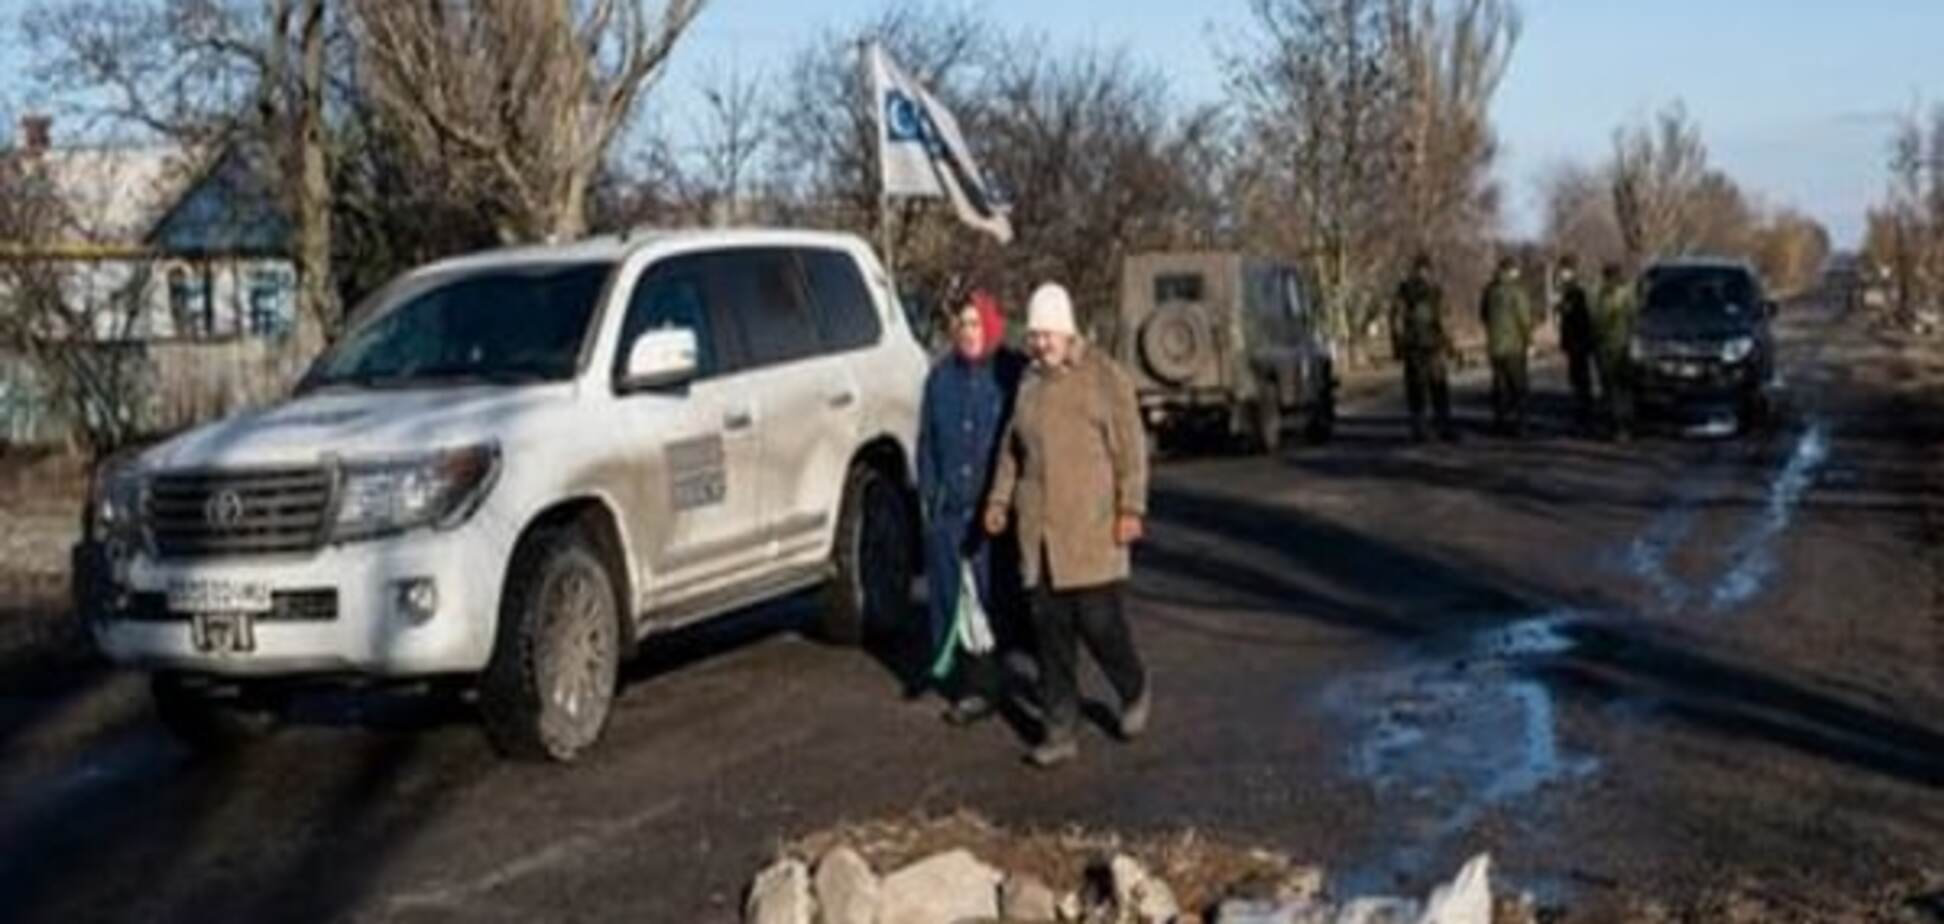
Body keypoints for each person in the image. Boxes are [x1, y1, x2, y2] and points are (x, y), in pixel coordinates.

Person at [984, 282, 1151, 769]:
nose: (1039, 345)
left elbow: (1131, 448)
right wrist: (998, 501)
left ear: (1066, 330)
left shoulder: (1103, 376)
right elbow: (1011, 452)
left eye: (1047, 335)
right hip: (1040, 536)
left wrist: (1131, 508)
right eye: (1034, 336)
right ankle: (1060, 729)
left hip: (1093, 527)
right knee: (1050, 639)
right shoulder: (1030, 385)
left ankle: (1134, 688)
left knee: (1101, 625)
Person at [916, 290, 1026, 724]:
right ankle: (974, 686)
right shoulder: (940, 380)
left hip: (998, 510)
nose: (968, 332)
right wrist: (930, 495)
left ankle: (1014, 675)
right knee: (960, 604)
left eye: (975, 323)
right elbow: (926, 443)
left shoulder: (1011, 372)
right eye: (962, 324)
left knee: (998, 598)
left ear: (991, 325)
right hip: (951, 512)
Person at [1389, 252, 1459, 442]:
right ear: (1429, 269)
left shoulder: (1404, 290)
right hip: (1434, 346)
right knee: (1438, 387)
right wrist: (1451, 344)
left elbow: (1395, 320)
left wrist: (1397, 345)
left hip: (1412, 346)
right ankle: (1443, 426)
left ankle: (1418, 427)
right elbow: (1445, 320)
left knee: (1415, 388)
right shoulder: (1435, 291)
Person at [1480, 256, 1535, 437]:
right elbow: (1524, 319)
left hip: (1495, 346)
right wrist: (1529, 341)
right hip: (1514, 346)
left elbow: (1483, 316)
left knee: (1499, 386)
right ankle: (1522, 425)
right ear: (1511, 270)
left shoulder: (1489, 290)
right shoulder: (1516, 291)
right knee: (1519, 386)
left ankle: (1499, 422)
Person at [1591, 262, 1639, 440]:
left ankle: (1613, 424)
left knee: (1609, 387)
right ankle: (1625, 425)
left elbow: (1595, 320)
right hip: (1623, 345)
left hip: (1605, 346)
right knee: (1624, 387)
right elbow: (1634, 318)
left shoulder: (1600, 295)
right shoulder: (1627, 294)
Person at [1554, 255, 1597, 434]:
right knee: (1577, 377)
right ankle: (1582, 410)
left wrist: (1562, 308)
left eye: (1564, 270)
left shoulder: (1578, 290)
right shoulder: (1568, 289)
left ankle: (1585, 413)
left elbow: (1580, 314)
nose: (1562, 274)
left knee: (1581, 377)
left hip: (1579, 338)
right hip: (1574, 339)